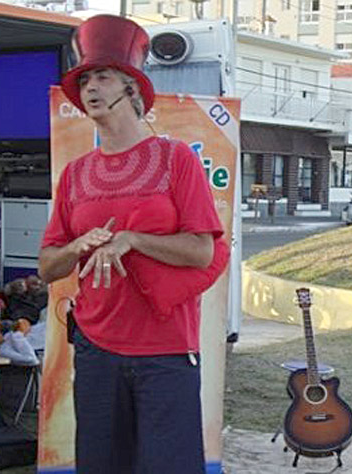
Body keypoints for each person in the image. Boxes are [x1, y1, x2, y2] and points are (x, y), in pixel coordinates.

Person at [38, 15, 229, 474]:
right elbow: (47, 266)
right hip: (96, 348)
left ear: (131, 88)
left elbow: (202, 251)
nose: (90, 86)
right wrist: (77, 247)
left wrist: (132, 240)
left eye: (102, 75)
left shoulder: (175, 158)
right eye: (85, 79)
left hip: (165, 351)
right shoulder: (76, 174)